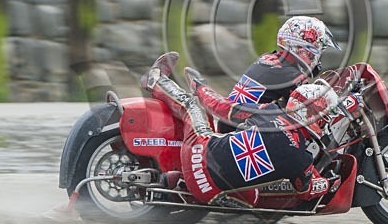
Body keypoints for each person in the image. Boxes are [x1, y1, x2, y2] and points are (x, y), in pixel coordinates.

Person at [142, 52, 341, 208]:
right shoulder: (302, 159)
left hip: (197, 154)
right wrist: (330, 182)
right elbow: (308, 190)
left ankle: (157, 81)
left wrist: (201, 88)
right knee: (256, 196)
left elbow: (222, 108)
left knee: (192, 106)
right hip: (211, 192)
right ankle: (181, 186)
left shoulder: (269, 112)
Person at [227, 15, 340, 108]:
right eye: (320, 50)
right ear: (303, 46)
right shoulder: (290, 75)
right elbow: (313, 105)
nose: (319, 57)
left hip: (232, 117)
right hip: (242, 126)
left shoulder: (269, 58)